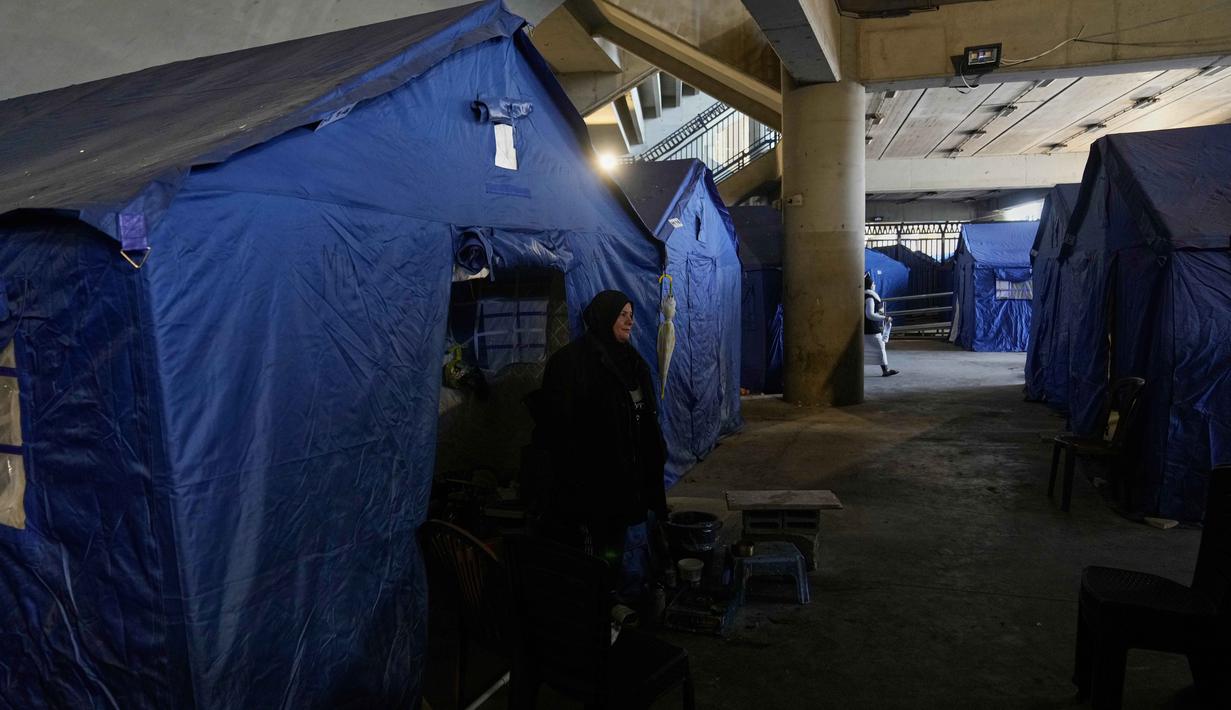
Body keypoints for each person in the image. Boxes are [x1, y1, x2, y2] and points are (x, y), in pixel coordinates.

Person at [534, 289, 669, 581]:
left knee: (614, 545)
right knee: (589, 550)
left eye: (631, 315)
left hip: (626, 478)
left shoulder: (633, 362)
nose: (629, 321)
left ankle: (610, 593)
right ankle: (595, 602)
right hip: (592, 482)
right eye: (622, 314)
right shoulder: (572, 363)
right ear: (604, 316)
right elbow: (557, 428)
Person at [865, 272, 899, 377]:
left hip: (863, 327)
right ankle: (885, 370)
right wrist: (885, 317)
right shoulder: (870, 297)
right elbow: (870, 315)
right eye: (873, 283)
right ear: (870, 285)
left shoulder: (863, 295)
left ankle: (885, 369)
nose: (874, 285)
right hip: (870, 327)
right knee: (880, 347)